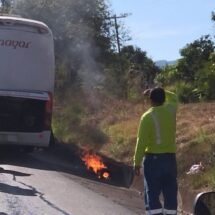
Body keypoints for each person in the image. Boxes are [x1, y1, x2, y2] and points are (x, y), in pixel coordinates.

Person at [133, 87, 178, 215]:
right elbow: (174, 97)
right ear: (164, 99)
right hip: (170, 159)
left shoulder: (147, 117)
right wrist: (163, 91)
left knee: (152, 194)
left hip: (153, 161)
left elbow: (141, 142)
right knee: (170, 193)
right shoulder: (171, 110)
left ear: (150, 100)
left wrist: (136, 162)